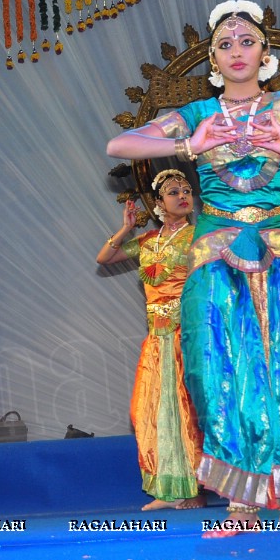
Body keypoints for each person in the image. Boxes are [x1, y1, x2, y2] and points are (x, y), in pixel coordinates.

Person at [106, 0, 280, 535]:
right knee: (222, 370)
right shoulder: (199, 114)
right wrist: (190, 143)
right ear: (212, 59)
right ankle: (242, 504)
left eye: (247, 42)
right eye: (225, 45)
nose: (237, 51)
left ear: (266, 53)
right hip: (216, 256)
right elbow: (119, 143)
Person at [97, 169, 205, 511]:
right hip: (157, 337)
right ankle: (169, 488)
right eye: (173, 192)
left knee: (188, 410)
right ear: (158, 203)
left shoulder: (201, 235)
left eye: (187, 190)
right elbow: (105, 258)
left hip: (187, 334)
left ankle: (194, 488)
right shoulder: (147, 242)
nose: (183, 196)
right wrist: (128, 227)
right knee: (151, 410)